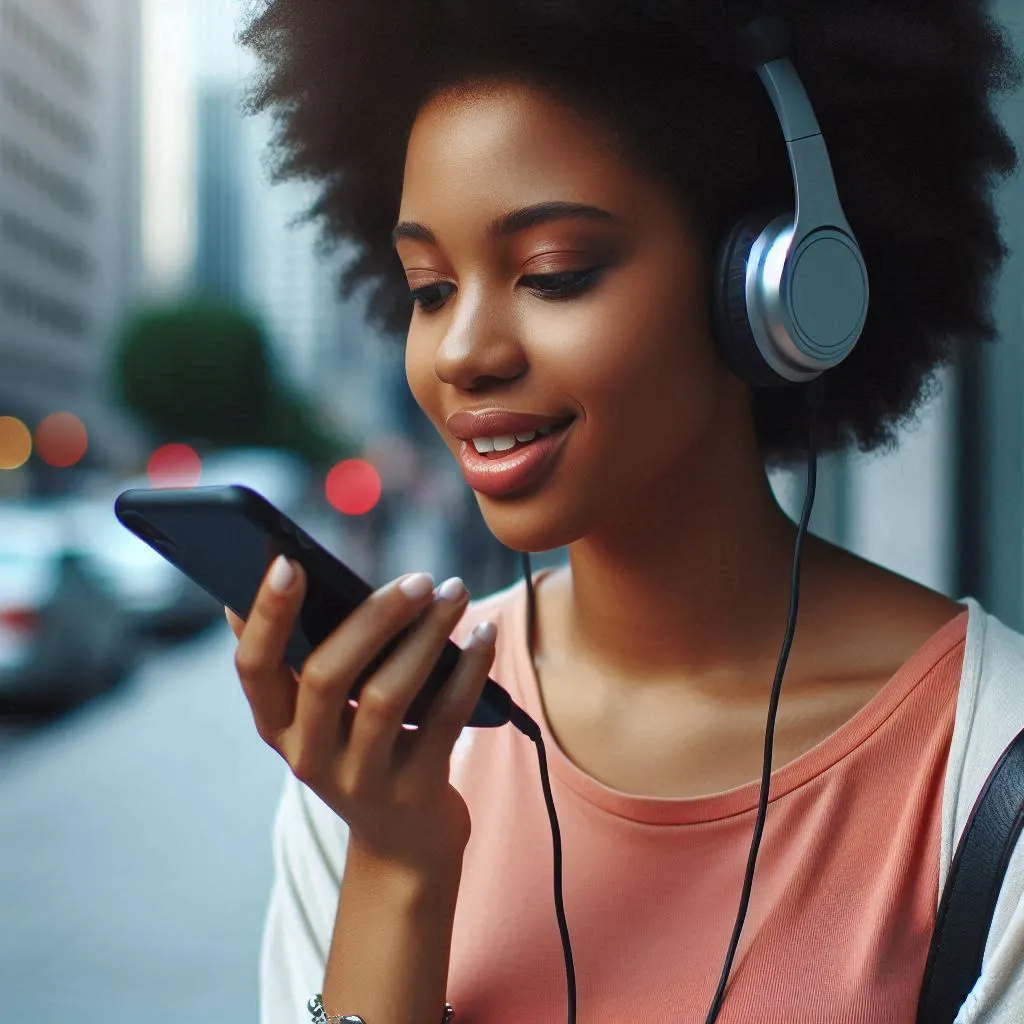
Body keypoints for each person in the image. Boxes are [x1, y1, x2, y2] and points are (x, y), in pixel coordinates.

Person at [229, 1, 1024, 1021]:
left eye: (553, 274)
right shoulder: (378, 745)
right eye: (428, 288)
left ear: (772, 288)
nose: (463, 350)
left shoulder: (986, 764)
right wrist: (394, 862)